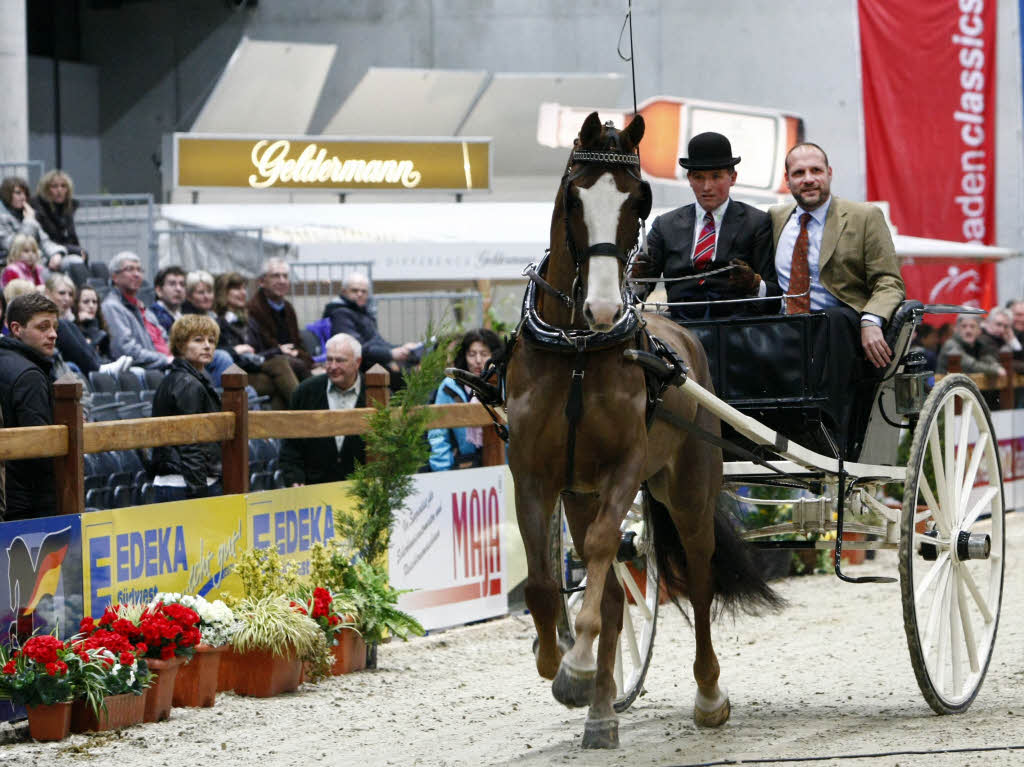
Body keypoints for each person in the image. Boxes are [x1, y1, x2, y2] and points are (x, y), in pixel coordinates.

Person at [768, 142, 906, 453]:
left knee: (831, 320)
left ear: (829, 174)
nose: (808, 179)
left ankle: (829, 432)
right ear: (787, 181)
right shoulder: (775, 218)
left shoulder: (864, 217)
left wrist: (872, 320)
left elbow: (889, 281)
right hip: (789, 328)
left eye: (816, 171)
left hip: (843, 328)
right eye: (799, 173)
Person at [629, 132, 780, 319]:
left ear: (732, 178)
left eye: (716, 177)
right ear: (689, 179)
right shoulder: (664, 225)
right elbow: (634, 297)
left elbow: (776, 299)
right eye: (699, 177)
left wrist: (754, 285)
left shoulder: (757, 222)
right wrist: (637, 280)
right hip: (680, 331)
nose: (707, 186)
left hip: (738, 330)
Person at [150, 315, 223, 501]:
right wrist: (199, 492)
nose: (207, 345)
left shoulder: (187, 379)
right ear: (181, 345)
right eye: (198, 340)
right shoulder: (187, 383)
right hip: (184, 483)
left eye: (211, 340)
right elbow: (190, 442)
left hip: (184, 480)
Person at [0, 292, 60, 519]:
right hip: (29, 506)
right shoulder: (30, 376)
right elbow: (40, 450)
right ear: (17, 329)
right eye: (43, 327)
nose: (53, 334)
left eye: (55, 327)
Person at [279, 333, 366, 486]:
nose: (333, 366)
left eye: (340, 361)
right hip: (314, 490)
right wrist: (294, 478)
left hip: (363, 489)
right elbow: (291, 445)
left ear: (357, 362)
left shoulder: (376, 394)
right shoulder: (305, 392)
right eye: (329, 359)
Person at [214, 271, 299, 409]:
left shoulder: (249, 321)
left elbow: (259, 351)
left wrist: (278, 350)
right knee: (279, 371)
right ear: (222, 292)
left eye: (243, 288)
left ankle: (288, 427)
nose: (242, 293)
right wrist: (236, 351)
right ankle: (307, 413)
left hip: (254, 368)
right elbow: (220, 357)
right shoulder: (218, 323)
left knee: (281, 370)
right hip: (234, 374)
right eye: (236, 288)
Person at [427, 328, 502, 471]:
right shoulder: (449, 386)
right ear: (464, 356)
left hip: (501, 467)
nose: (478, 361)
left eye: (484, 354)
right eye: (472, 354)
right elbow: (437, 433)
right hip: (461, 467)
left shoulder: (505, 385)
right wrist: (443, 469)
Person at [322, 271, 421, 373]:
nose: (359, 294)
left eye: (363, 291)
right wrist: (391, 353)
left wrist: (402, 349)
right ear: (344, 292)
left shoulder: (362, 312)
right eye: (354, 290)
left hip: (372, 365)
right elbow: (355, 348)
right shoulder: (340, 314)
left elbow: (377, 342)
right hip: (361, 370)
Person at [247, 258, 314, 381]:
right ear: (262, 282)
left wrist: (298, 353)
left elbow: (297, 342)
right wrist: (282, 351)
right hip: (269, 360)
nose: (282, 281)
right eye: (276, 276)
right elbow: (260, 347)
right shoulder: (253, 309)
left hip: (290, 357)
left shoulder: (288, 308)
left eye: (285, 276)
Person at [0, 177, 67, 270]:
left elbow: (45, 241)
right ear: (7, 194)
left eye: (25, 193)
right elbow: (15, 247)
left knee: (73, 262)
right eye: (18, 193)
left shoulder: (27, 213)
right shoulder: (2, 217)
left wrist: (56, 254)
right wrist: (28, 222)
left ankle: (88, 284)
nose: (23, 197)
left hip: (40, 260)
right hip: (16, 266)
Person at [30, 170, 87, 260]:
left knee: (96, 266)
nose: (59, 190)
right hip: (47, 253)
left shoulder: (68, 208)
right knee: (76, 262)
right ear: (45, 189)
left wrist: (79, 250)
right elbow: (50, 238)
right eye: (54, 186)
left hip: (66, 250)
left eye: (63, 186)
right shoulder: (39, 208)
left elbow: (72, 237)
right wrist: (75, 250)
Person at [937, 314, 1003, 376]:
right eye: (964, 326)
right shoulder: (950, 345)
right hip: (947, 386)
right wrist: (995, 370)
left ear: (979, 330)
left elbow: (987, 358)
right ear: (956, 329)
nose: (968, 330)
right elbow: (971, 366)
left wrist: (995, 365)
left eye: (972, 326)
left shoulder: (979, 343)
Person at [75, 285, 111, 361]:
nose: (91, 306)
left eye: (94, 302)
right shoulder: (72, 328)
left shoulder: (100, 326)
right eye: (86, 302)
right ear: (76, 304)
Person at [148, 266, 186, 334]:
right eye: (172, 284)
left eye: (182, 284)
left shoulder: (181, 317)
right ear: (159, 291)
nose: (178, 289)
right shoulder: (153, 316)